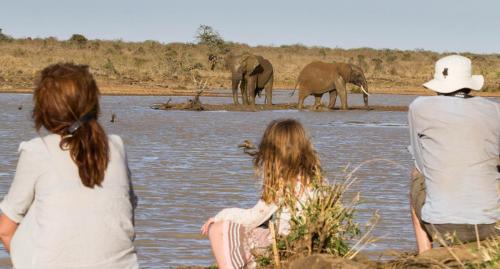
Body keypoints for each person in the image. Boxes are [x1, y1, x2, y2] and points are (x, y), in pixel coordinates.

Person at [0, 63, 139, 268]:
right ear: (93, 105)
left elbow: (5, 229)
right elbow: (127, 215)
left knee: (27, 211)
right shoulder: (116, 146)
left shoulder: (38, 150)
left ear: (44, 111)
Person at [201, 119, 322, 269]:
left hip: (283, 244)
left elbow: (253, 217)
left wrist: (220, 216)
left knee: (219, 229)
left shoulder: (284, 183)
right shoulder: (311, 179)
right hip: (297, 242)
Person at [408, 55, 500, 253]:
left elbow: (421, 162)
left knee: (415, 174)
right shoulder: (495, 110)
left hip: (440, 226)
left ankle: (426, 255)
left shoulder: (418, 107)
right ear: (469, 83)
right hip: (493, 226)